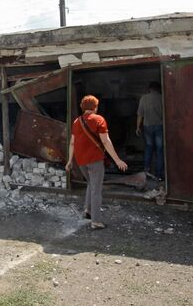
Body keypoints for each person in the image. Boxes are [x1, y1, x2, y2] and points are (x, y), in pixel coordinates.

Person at [66, 95, 127, 230]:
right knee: (96, 190)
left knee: (90, 184)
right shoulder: (99, 119)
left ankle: (87, 210)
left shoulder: (76, 121)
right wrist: (117, 160)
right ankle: (96, 221)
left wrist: (70, 161)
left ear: (83, 107)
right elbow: (105, 141)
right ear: (95, 107)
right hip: (95, 161)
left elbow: (72, 143)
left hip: (80, 160)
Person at [136, 81, 164, 181]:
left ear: (150, 88)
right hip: (160, 126)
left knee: (148, 148)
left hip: (147, 127)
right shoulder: (162, 97)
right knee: (159, 151)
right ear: (158, 89)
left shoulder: (144, 98)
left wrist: (138, 127)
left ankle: (146, 172)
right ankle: (159, 175)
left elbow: (140, 114)